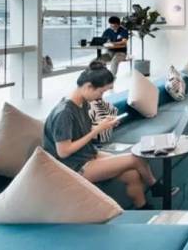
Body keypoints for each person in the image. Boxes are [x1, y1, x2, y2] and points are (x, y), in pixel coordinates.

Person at [42, 61, 158, 209]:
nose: (100, 97)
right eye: (101, 92)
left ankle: (143, 208)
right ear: (88, 86)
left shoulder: (82, 103)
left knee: (133, 175)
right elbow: (63, 152)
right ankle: (156, 186)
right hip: (72, 167)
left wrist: (104, 125)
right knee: (136, 157)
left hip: (85, 155)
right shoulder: (64, 113)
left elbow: (81, 131)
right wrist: (97, 130)